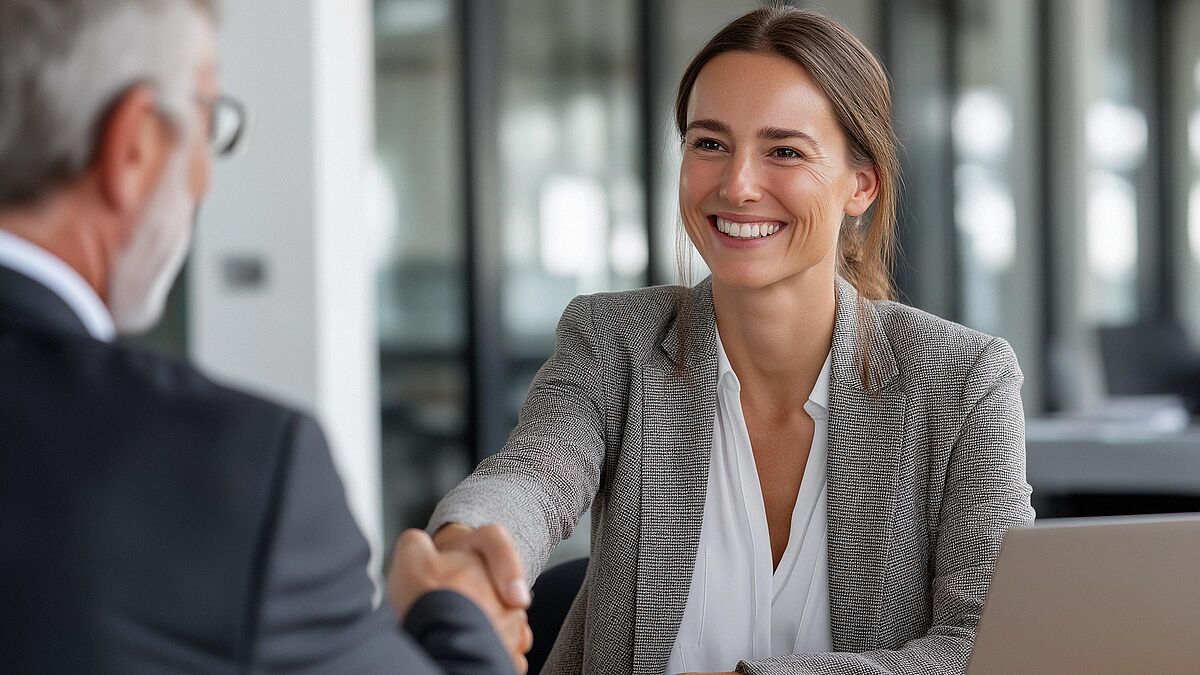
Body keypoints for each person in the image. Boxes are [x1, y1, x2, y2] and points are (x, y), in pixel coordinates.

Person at [428, 6, 1035, 675]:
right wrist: (468, 551)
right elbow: (532, 477)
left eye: (784, 151)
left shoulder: (965, 380)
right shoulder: (611, 341)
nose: (738, 184)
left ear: (860, 184)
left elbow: (991, 642)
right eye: (709, 143)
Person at [0, 1, 531, 672]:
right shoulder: (233, 471)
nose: (202, 177)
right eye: (205, 123)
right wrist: (453, 613)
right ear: (133, 146)